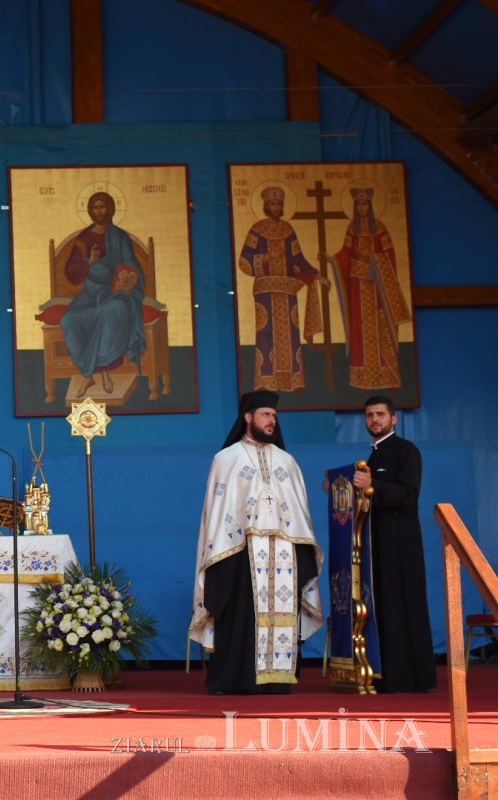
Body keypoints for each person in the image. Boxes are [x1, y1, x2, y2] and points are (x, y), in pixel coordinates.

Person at [189, 391, 323, 694]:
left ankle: (276, 680)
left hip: (283, 553)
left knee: (282, 613)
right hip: (240, 550)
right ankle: (235, 678)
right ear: (248, 417)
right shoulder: (226, 459)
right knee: (239, 614)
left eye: (274, 416)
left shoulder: (286, 461)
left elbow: (300, 512)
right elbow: (218, 511)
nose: (271, 420)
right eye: (265, 414)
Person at [353, 395, 436, 692]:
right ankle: (386, 673)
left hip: (401, 546)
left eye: (380, 414)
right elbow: (366, 497)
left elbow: (409, 495)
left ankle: (411, 678)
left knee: (404, 606)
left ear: (394, 419)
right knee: (385, 608)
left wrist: (372, 487)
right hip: (377, 547)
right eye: (369, 415)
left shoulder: (406, 452)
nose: (374, 420)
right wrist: (340, 487)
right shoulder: (373, 456)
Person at [238, 187, 329, 393]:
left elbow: (298, 259)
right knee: (266, 333)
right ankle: (266, 380)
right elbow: (244, 261)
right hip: (265, 291)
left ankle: (292, 380)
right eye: (272, 204)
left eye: (279, 204)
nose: (276, 207)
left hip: (287, 291)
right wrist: (264, 260)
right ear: (265, 206)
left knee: (290, 335)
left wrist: (316, 275)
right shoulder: (257, 230)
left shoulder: (288, 230)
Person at [57, 192, 147, 394]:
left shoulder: (120, 237)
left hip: (117, 292)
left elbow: (132, 264)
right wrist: (89, 263)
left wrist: (127, 279)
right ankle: (88, 376)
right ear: (90, 211)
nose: (99, 211)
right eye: (95, 207)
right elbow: (71, 274)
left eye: (103, 207)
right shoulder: (84, 239)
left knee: (111, 311)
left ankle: (105, 374)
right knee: (68, 319)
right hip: (91, 292)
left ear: (110, 209)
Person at [328, 189, 412, 390]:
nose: (362, 207)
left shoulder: (380, 228)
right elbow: (346, 253)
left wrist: (376, 266)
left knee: (380, 327)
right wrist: (332, 259)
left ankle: (386, 375)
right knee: (360, 329)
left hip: (378, 287)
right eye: (358, 204)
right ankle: (362, 376)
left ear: (371, 206)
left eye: (365, 204)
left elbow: (390, 256)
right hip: (358, 286)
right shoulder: (352, 228)